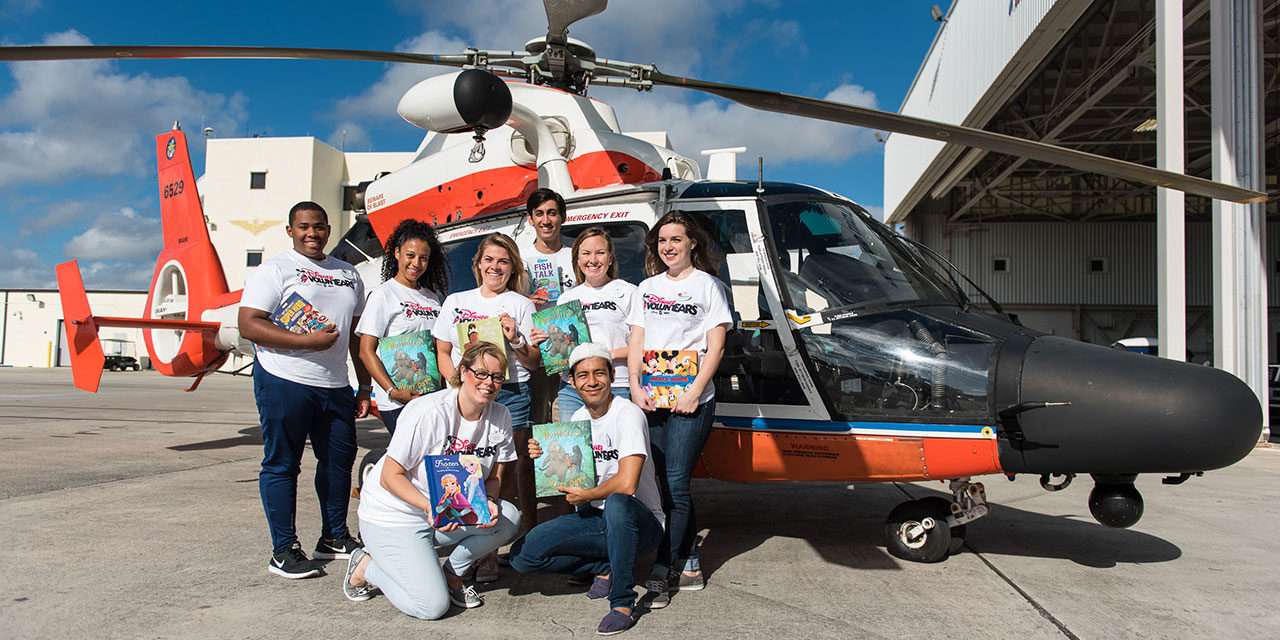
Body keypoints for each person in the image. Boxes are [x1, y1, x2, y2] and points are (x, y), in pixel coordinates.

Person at [238, 201, 372, 579]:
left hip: (334, 384)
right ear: (290, 230)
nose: (312, 233)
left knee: (338, 463)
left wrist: (363, 385)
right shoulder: (275, 269)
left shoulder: (348, 273)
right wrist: (306, 343)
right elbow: (248, 324)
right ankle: (283, 551)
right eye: (304, 227)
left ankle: (333, 536)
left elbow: (354, 336)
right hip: (284, 378)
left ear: (329, 229)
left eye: (319, 227)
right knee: (283, 464)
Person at [344, 342, 522, 618]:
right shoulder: (427, 412)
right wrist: (429, 506)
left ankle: (453, 575)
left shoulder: (501, 416)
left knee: (508, 516)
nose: (489, 383)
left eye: (497, 377)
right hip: (396, 517)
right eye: (482, 373)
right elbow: (390, 476)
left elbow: (495, 476)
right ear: (463, 371)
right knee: (431, 606)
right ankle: (366, 566)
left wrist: (488, 499)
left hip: (445, 514)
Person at [510, 343, 664, 636]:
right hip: (598, 520)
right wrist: (544, 456)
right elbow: (572, 479)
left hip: (639, 522)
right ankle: (607, 563)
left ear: (610, 375)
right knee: (523, 556)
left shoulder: (627, 414)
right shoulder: (578, 419)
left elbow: (627, 483)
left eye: (598, 374)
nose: (591, 381)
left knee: (618, 501)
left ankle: (622, 602)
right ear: (572, 380)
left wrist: (588, 496)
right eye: (583, 375)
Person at [626, 211, 731, 606]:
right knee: (658, 483)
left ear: (692, 244)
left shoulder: (708, 287)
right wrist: (636, 386)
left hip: (692, 399)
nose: (668, 247)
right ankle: (688, 557)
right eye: (662, 241)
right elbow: (637, 339)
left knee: (676, 481)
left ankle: (664, 568)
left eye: (676, 239)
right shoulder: (647, 287)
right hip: (651, 398)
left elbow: (716, 346)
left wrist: (695, 391)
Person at [433, 232, 540, 580]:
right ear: (478, 264)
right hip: (464, 393)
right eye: (489, 260)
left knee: (505, 471)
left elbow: (534, 362)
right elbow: (443, 350)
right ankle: (466, 543)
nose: (495, 267)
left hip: (511, 391)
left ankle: (490, 550)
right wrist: (455, 386)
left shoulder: (521, 305)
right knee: (465, 466)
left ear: (513, 267)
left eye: (504, 261)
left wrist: (516, 339)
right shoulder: (456, 300)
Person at [356, 219, 448, 435]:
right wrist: (392, 391)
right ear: (397, 253)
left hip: (429, 397)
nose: (416, 263)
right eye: (410, 255)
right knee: (407, 459)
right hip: (398, 401)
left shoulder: (433, 298)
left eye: (423, 258)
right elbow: (365, 351)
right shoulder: (383, 295)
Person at [535, 226, 636, 420]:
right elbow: (563, 349)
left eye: (600, 253)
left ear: (610, 257)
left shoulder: (629, 292)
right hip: (572, 389)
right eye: (586, 253)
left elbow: (641, 344)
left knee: (611, 447)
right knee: (575, 445)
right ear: (578, 259)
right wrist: (546, 343)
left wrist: (601, 356)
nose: (593, 260)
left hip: (617, 384)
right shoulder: (567, 298)